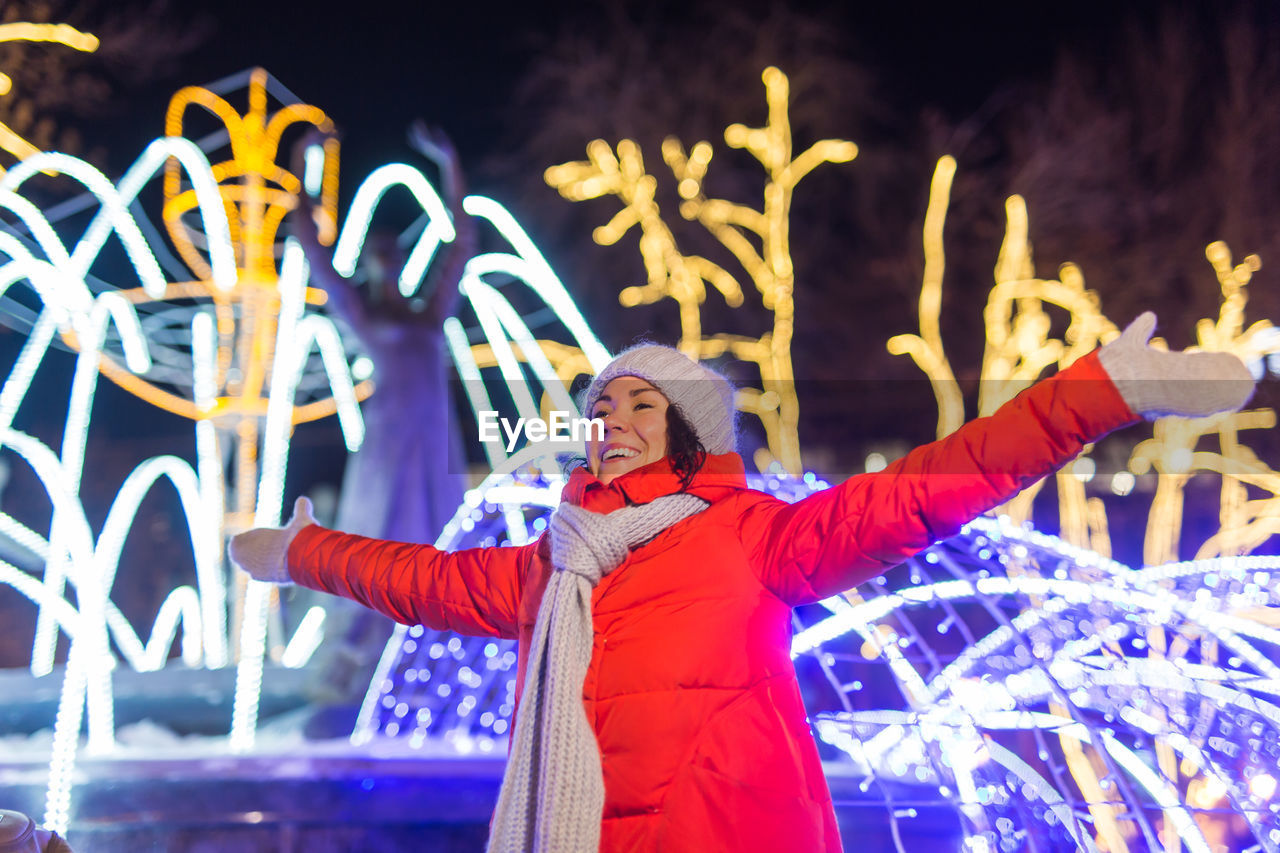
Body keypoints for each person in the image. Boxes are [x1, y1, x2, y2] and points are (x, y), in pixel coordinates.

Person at [230, 312, 1253, 853]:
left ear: (687, 430)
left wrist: (1094, 393)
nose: (611, 419)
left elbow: (926, 487)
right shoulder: (553, 569)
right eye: (600, 405)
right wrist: (303, 552)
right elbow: (420, 580)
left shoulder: (754, 537)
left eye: (639, 402)